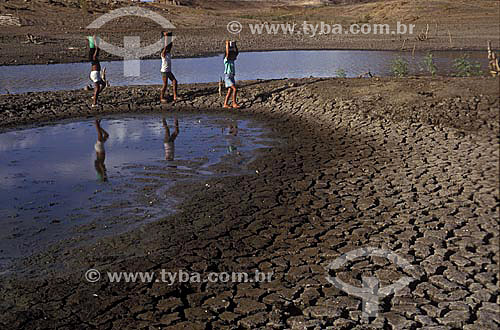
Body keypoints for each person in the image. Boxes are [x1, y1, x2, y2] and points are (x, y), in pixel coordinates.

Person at [88, 36, 107, 107]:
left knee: (104, 84)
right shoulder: (94, 57)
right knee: (97, 88)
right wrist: (97, 41)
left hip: (96, 74)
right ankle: (94, 103)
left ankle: (94, 97)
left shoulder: (93, 58)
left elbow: (96, 50)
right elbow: (97, 49)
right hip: (95, 74)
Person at [160, 31, 178, 103]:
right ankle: (161, 98)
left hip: (168, 71)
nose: (168, 48)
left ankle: (175, 96)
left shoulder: (168, 53)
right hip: (164, 72)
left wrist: (170, 37)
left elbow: (170, 45)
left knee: (174, 81)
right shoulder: (163, 53)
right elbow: (166, 46)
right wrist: (166, 37)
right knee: (165, 85)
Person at [223, 40, 240, 109]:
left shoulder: (232, 60)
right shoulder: (226, 60)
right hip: (228, 77)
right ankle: (234, 103)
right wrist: (227, 45)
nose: (233, 56)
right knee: (235, 89)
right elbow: (227, 53)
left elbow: (236, 53)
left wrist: (235, 45)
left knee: (230, 91)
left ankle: (225, 104)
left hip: (232, 76)